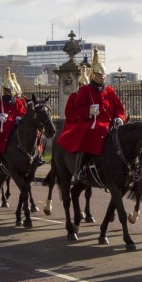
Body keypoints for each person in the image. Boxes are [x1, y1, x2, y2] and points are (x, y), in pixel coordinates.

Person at [57, 47, 126, 184]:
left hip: (110, 123)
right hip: (91, 123)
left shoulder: (110, 91)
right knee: (89, 132)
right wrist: (89, 111)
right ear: (93, 75)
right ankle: (79, 169)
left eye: (104, 75)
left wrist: (119, 117)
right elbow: (77, 110)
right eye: (100, 75)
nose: (102, 77)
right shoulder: (85, 91)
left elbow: (119, 107)